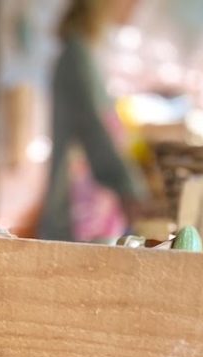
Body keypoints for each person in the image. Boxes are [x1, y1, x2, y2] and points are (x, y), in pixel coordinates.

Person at [37, 0, 146, 242]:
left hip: (84, 210)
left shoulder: (82, 52)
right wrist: (130, 189)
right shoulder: (77, 56)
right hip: (78, 213)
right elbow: (95, 129)